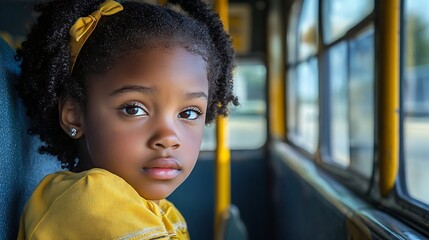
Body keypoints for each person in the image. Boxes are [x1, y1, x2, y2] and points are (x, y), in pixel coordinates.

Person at [16, 0, 237, 239]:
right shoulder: (90, 200)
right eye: (133, 109)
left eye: (189, 113)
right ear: (74, 116)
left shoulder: (160, 210)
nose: (168, 138)